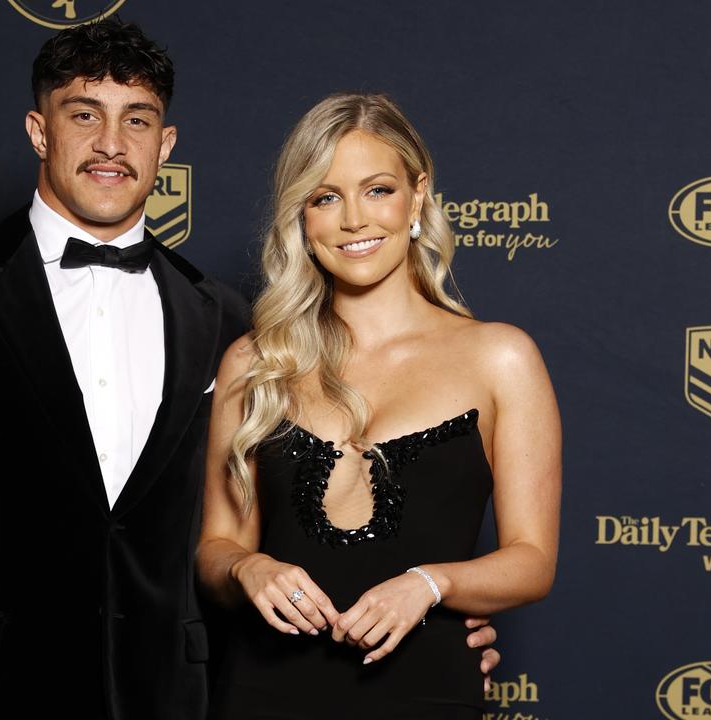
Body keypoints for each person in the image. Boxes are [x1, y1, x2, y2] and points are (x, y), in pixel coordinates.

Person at [0, 20, 499, 720]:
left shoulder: (229, 323)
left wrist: (447, 615)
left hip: (172, 697)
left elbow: (266, 528)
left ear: (166, 144)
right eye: (83, 115)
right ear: (39, 131)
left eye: (137, 120)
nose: (111, 145)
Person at [197, 93, 562, 718]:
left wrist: (432, 582)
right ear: (302, 219)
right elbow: (216, 548)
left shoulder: (500, 359)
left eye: (378, 190)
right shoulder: (254, 363)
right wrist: (248, 569)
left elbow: (531, 562)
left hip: (427, 690)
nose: (353, 221)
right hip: (262, 690)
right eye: (326, 197)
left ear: (417, 197)